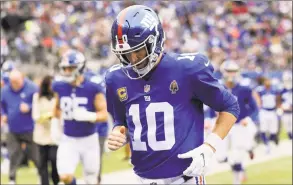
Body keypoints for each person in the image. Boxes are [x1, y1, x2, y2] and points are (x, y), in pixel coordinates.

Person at [106, 5, 239, 184]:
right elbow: (121, 121)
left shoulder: (187, 69)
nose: (134, 60)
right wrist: (118, 132)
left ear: (155, 41)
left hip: (185, 178)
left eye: (138, 50)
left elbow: (230, 106)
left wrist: (210, 146)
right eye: (126, 54)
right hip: (142, 179)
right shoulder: (116, 78)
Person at [51, 49, 108, 185]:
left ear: (80, 67)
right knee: (64, 176)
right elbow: (57, 107)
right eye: (65, 68)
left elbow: (104, 114)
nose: (67, 72)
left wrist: (90, 116)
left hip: (89, 139)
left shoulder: (93, 86)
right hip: (68, 138)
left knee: (91, 179)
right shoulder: (59, 86)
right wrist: (55, 124)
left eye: (71, 68)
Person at [220, 60, 258, 184]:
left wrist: (248, 118)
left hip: (239, 125)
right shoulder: (218, 89)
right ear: (223, 72)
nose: (232, 74)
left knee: (237, 154)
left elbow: (254, 107)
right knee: (221, 157)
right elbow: (210, 107)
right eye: (229, 71)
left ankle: (237, 178)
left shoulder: (244, 89)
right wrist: (209, 118)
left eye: (234, 71)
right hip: (223, 125)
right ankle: (246, 153)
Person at [0, 69, 40, 184]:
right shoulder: (5, 90)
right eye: (12, 81)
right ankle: (12, 179)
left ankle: (41, 175)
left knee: (35, 155)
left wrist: (29, 107)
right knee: (13, 154)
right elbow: (1, 105)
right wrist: (3, 115)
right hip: (13, 129)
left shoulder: (32, 88)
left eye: (16, 81)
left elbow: (40, 104)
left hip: (30, 128)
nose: (14, 84)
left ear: (22, 78)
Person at [32, 75, 59, 185]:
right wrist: (49, 115)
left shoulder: (58, 96)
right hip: (41, 135)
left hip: (54, 135)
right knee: (42, 164)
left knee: (54, 160)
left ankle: (56, 181)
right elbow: (36, 116)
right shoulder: (37, 97)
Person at [256, 76, 281, 153]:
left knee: (273, 131)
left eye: (269, 81)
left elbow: (278, 99)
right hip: (264, 111)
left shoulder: (274, 90)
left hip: (272, 111)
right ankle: (266, 145)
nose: (267, 82)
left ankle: (269, 142)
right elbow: (257, 99)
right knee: (263, 129)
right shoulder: (260, 90)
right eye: (266, 81)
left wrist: (278, 108)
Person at [280, 71, 292, 140]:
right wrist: (281, 106)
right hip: (285, 111)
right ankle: (289, 136)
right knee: (286, 125)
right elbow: (279, 101)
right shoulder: (282, 90)